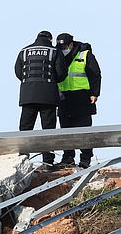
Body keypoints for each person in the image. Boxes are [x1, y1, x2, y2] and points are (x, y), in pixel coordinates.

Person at [14, 31, 67, 170]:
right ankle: (48, 163)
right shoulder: (53, 51)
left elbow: (18, 72)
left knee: (25, 127)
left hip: (28, 95)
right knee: (48, 130)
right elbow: (62, 73)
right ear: (50, 39)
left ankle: (23, 159)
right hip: (48, 95)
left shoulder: (24, 50)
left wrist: (30, 83)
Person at [55, 33, 102, 169]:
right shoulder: (57, 55)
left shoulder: (85, 55)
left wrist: (94, 93)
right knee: (65, 131)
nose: (62, 48)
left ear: (71, 44)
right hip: (64, 98)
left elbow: (95, 75)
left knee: (84, 131)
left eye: (64, 46)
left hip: (82, 97)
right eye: (60, 46)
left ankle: (85, 159)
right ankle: (68, 158)